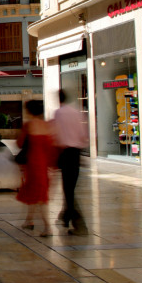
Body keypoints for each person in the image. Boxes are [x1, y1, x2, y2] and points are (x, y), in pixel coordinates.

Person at [16, 100, 56, 237]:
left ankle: (48, 227)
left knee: (39, 196)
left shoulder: (29, 125)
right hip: (44, 165)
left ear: (29, 111)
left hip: (33, 164)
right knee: (36, 193)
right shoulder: (47, 126)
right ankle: (29, 220)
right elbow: (51, 148)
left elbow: (20, 143)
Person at [53, 89, 90, 235]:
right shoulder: (76, 113)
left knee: (68, 189)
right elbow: (83, 135)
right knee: (70, 187)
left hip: (65, 153)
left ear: (59, 99)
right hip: (76, 153)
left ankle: (79, 224)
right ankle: (65, 216)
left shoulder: (59, 113)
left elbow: (57, 134)